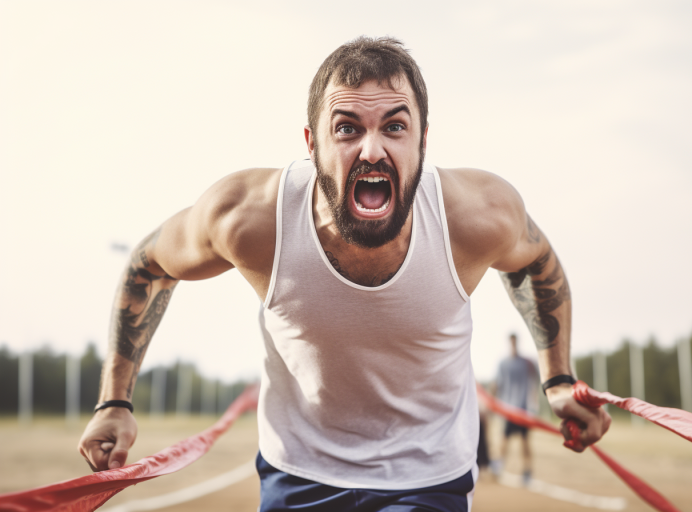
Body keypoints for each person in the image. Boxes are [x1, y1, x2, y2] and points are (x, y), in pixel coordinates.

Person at [78, 36, 611, 511]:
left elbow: (536, 266)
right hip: (298, 473)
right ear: (312, 146)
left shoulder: (476, 214)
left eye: (395, 127)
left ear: (424, 141)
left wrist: (558, 378)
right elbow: (148, 265)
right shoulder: (248, 217)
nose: (372, 149)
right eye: (347, 129)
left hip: (427, 478)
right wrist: (114, 402)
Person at [491, 333, 539, 484]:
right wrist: (492, 402)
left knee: (525, 442)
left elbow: (536, 380)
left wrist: (534, 397)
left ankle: (527, 470)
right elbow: (497, 384)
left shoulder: (527, 362)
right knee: (504, 439)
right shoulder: (503, 363)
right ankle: (498, 467)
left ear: (517, 342)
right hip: (508, 409)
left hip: (523, 409)